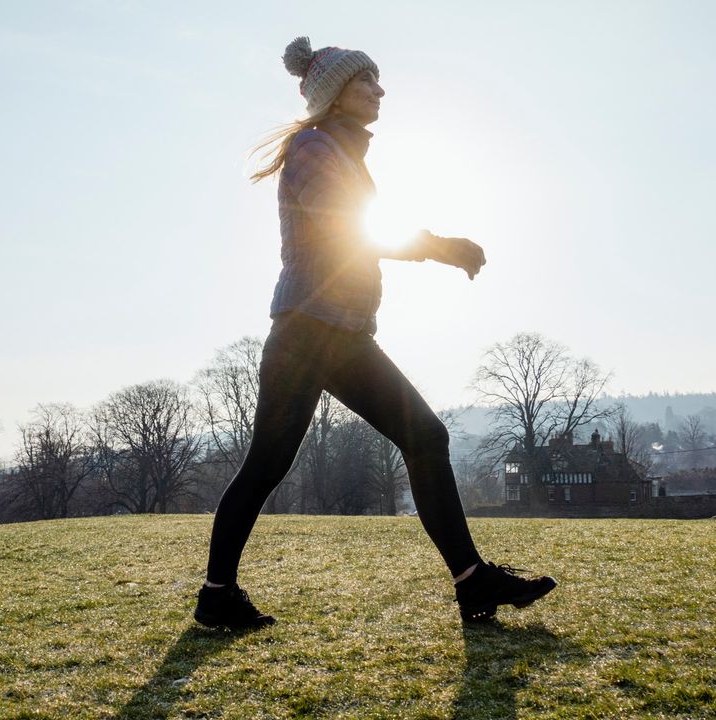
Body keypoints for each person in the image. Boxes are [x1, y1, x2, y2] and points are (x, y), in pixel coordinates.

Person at [194, 37, 556, 629]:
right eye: (367, 82)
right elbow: (352, 229)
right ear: (336, 95)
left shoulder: (340, 152)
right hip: (312, 332)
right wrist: (441, 247)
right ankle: (217, 594)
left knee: (420, 439)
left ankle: (471, 581)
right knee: (274, 464)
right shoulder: (314, 150)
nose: (380, 90)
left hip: (338, 333)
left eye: (378, 81)